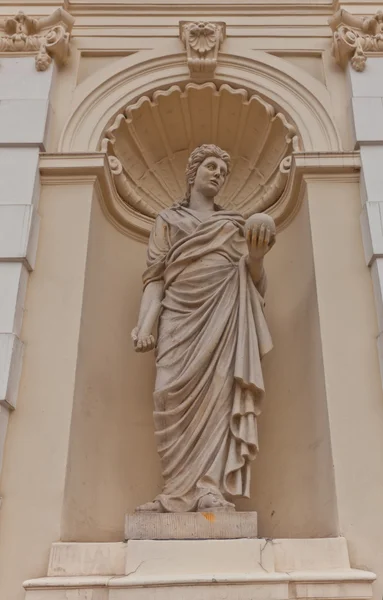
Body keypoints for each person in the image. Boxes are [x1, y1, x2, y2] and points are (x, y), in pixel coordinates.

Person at [132, 144, 275, 513]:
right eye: (211, 166)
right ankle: (175, 492)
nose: (218, 174)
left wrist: (256, 257)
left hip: (223, 311)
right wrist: (144, 325)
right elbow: (155, 279)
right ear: (192, 172)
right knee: (167, 394)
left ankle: (210, 488)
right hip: (178, 315)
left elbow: (253, 280)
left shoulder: (233, 225)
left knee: (217, 397)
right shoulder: (166, 220)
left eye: (223, 171)